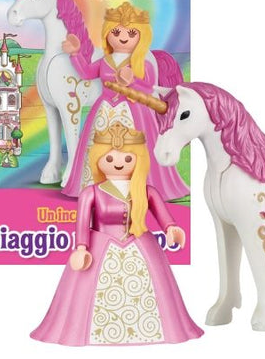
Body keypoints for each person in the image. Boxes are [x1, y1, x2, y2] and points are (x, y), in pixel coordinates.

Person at [31, 123, 203, 346]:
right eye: (110, 158)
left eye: (128, 158)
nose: (119, 163)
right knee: (84, 295)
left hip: (140, 245)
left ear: (139, 159)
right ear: (98, 159)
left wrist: (172, 228)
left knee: (155, 290)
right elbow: (82, 224)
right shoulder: (91, 192)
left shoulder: (146, 191)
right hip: (99, 249)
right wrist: (81, 248)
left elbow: (164, 217)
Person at [61, 2, 189, 201]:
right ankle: (98, 185)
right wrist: (75, 54)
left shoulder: (142, 63)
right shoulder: (105, 61)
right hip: (104, 110)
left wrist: (132, 81)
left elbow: (149, 88)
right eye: (116, 32)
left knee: (136, 149)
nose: (123, 37)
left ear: (141, 37)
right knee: (99, 147)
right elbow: (86, 73)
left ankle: (139, 187)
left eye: (131, 33)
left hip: (134, 112)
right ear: (108, 34)